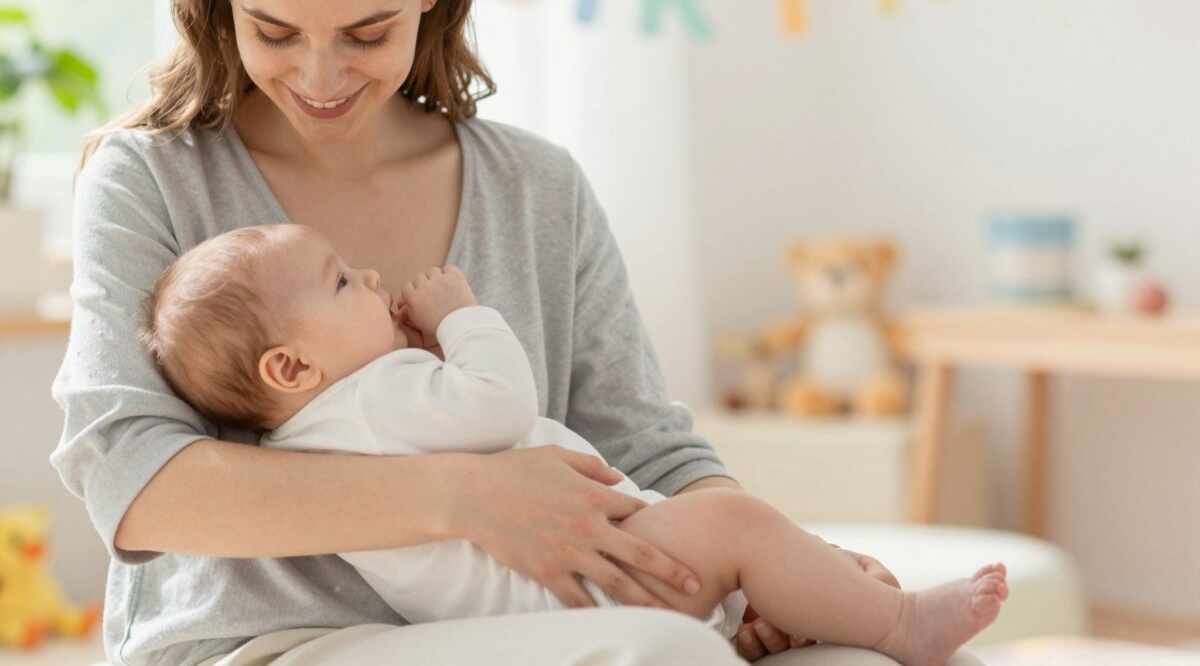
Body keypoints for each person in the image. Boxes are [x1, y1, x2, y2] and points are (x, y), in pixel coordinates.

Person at [49, 0, 982, 666]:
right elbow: (136, 483)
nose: (320, 78)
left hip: (542, 625)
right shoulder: (153, 177)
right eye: (275, 32)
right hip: (269, 643)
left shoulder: (537, 187)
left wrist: (782, 568)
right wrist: (464, 498)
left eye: (367, 34)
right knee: (661, 654)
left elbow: (648, 446)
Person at [137, 221, 1009, 666]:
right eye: (339, 284)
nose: (368, 276)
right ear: (292, 366)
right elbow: (502, 404)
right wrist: (461, 317)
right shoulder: (372, 400)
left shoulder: (318, 438)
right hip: (577, 584)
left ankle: (759, 617)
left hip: (544, 600)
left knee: (741, 553)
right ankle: (901, 623)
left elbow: (635, 435)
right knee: (737, 526)